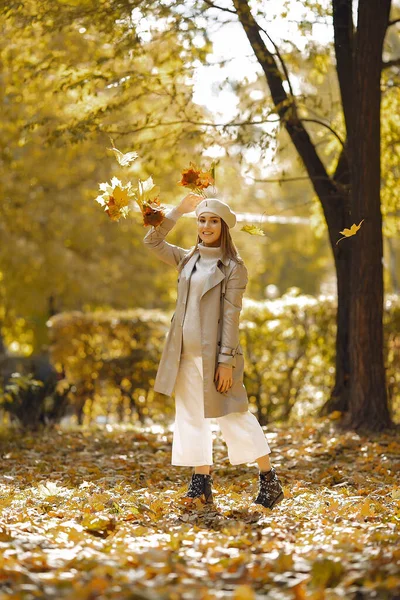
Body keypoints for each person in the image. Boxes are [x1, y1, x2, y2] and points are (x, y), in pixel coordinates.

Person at [143, 193, 284, 509]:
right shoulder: (186, 258)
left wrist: (226, 362)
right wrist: (178, 210)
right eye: (202, 220)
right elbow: (152, 242)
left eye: (213, 221)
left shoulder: (234, 267)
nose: (206, 226)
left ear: (223, 226)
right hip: (183, 354)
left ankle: (269, 479)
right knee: (191, 417)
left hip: (216, 358)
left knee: (235, 416)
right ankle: (200, 482)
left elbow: (232, 317)